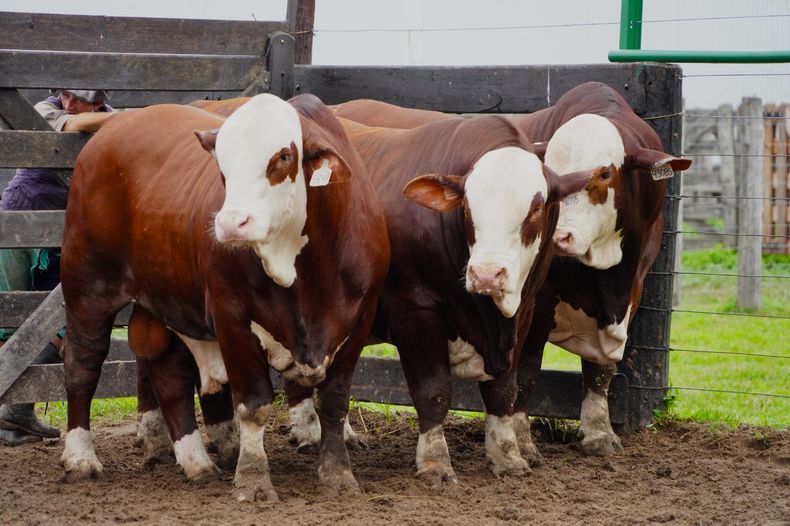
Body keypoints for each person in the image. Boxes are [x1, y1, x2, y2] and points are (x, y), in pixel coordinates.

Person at [0, 89, 115, 446]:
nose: (67, 103)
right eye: (65, 94)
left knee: (60, 322)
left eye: (77, 98)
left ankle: (16, 412)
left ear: (98, 101)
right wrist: (129, 118)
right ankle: (14, 413)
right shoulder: (44, 110)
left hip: (66, 229)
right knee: (12, 317)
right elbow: (73, 125)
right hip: (20, 221)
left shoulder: (105, 114)